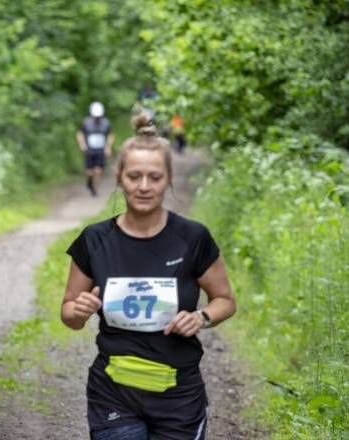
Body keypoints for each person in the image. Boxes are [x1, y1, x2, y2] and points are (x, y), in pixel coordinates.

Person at [60, 112, 236, 439]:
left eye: (154, 178)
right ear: (119, 177)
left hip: (179, 394)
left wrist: (202, 317)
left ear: (168, 178)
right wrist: (79, 310)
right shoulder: (94, 239)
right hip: (113, 391)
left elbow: (225, 300)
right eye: (134, 176)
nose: (144, 187)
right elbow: (68, 314)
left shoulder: (193, 237)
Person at [76, 101, 114, 196]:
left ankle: (94, 187)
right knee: (89, 172)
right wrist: (82, 143)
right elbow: (80, 133)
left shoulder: (106, 123)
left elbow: (110, 135)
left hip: (100, 150)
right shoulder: (86, 122)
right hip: (89, 150)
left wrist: (108, 146)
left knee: (98, 170)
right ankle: (89, 182)